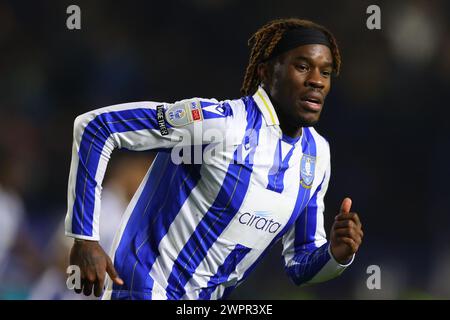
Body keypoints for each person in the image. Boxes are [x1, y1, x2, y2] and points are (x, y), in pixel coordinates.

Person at [65, 18, 363, 300]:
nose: (316, 81)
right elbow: (98, 128)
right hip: (145, 290)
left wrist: (337, 255)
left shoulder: (316, 155)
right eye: (302, 66)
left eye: (325, 72)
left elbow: (300, 263)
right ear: (265, 71)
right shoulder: (218, 123)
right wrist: (84, 237)